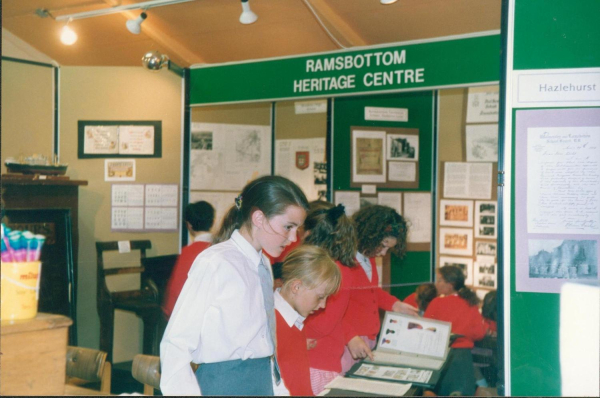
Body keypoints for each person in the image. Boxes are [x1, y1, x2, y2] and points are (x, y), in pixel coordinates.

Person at [160, 175, 309, 396]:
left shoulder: (263, 263)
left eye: (296, 229)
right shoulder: (215, 261)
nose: (293, 238)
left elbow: (264, 340)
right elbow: (176, 344)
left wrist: (279, 390)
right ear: (259, 218)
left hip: (260, 383)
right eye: (288, 227)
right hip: (224, 385)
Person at [341, 205, 418, 373]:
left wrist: (395, 304)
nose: (383, 253)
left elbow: (370, 291)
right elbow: (332, 308)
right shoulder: (344, 261)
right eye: (383, 245)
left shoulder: (369, 258)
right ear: (370, 235)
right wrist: (350, 337)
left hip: (367, 338)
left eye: (388, 248)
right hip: (348, 342)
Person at [302, 203, 358, 394]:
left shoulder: (332, 270)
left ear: (312, 234)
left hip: (317, 360)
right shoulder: (337, 267)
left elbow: (324, 322)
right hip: (320, 357)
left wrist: (295, 335)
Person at [274, 245, 342, 396]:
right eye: (320, 297)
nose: (323, 305)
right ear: (296, 287)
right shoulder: (272, 324)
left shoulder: (295, 319)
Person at [424, 265, 489, 396]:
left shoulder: (436, 303)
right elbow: (479, 333)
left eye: (440, 280)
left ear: (450, 284)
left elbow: (426, 330)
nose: (436, 283)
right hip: (463, 359)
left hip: (441, 356)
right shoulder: (470, 302)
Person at [162, 200, 215, 319]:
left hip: (192, 317)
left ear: (189, 225)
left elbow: (176, 289)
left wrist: (168, 312)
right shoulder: (221, 248)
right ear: (212, 222)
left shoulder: (188, 252)